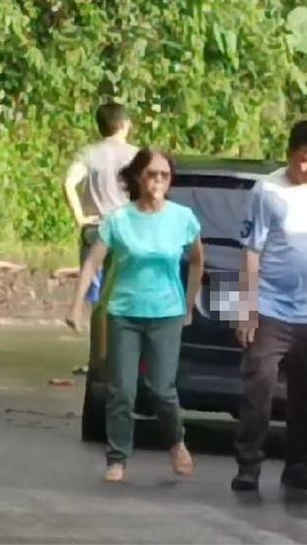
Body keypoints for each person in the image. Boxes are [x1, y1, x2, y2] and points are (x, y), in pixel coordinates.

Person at [232, 119, 307, 493]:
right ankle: (248, 465)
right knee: (258, 389)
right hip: (270, 307)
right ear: (290, 154)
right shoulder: (267, 191)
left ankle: (301, 464)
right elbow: (251, 253)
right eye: (303, 161)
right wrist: (246, 309)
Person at [66, 148, 204, 484]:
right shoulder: (119, 220)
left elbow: (198, 260)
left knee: (161, 389)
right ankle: (117, 457)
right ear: (137, 178)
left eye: (164, 176)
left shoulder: (182, 218)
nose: (158, 181)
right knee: (121, 390)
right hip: (124, 313)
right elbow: (92, 263)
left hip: (166, 313)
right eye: (151, 174)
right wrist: (76, 305)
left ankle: (175, 442)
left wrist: (189, 303)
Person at [63, 103, 139, 305]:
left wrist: (80, 217)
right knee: (123, 295)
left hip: (96, 229)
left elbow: (68, 183)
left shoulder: (89, 154)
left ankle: (99, 335)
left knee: (98, 299)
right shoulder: (137, 156)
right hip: (128, 230)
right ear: (125, 124)